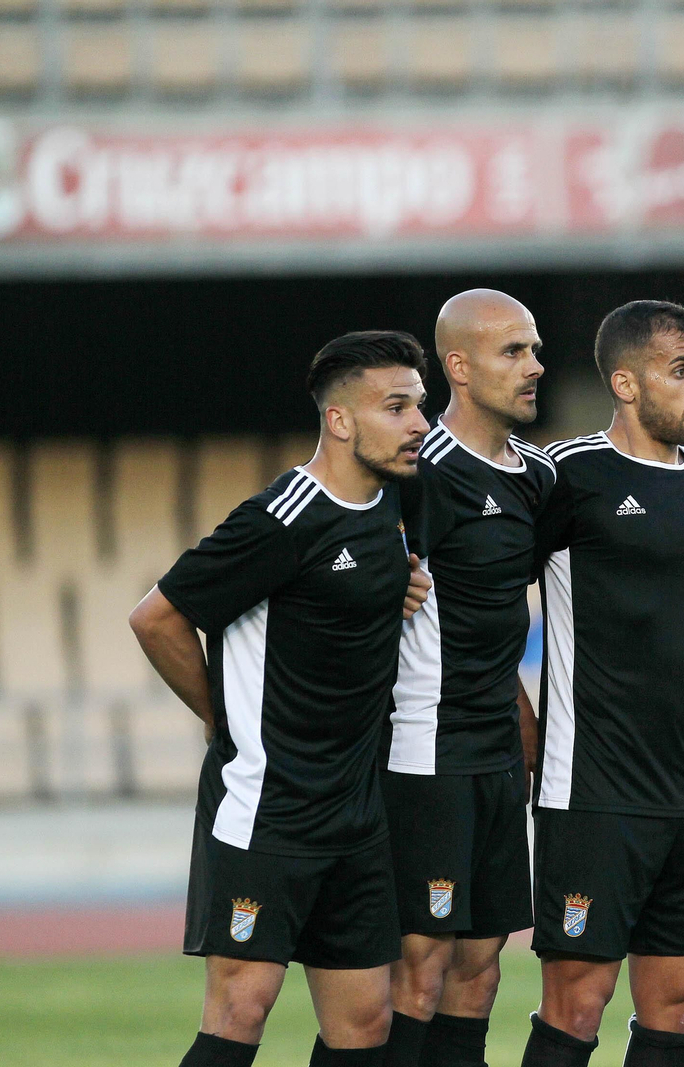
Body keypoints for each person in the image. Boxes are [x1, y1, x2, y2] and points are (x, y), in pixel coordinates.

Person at [129, 331, 432, 1067]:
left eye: (419, 405)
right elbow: (157, 616)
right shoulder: (284, 516)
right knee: (241, 1009)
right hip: (268, 807)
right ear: (340, 420)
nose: (420, 423)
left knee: (364, 1023)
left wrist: (400, 582)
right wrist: (219, 717)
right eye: (396, 406)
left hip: (357, 816)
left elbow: (357, 592)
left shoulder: (397, 507)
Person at [523, 301, 684, 1067]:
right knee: (578, 1002)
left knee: (678, 1005)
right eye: (682, 369)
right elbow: (479, 601)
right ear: (626, 382)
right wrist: (522, 729)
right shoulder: (567, 476)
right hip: (595, 791)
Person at [382, 291, 555, 1067]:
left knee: (480, 968)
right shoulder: (422, 474)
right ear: (457, 366)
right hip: (428, 750)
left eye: (535, 349)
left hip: (494, 752)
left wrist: (523, 715)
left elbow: (498, 621)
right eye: (513, 351)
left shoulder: (536, 476)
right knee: (419, 968)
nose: (534, 366)